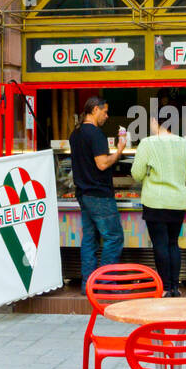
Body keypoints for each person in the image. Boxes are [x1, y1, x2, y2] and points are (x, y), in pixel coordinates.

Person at [131, 114, 186, 297]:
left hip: (155, 201)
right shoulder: (183, 143)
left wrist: (149, 173)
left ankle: (165, 288)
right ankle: (175, 287)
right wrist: (176, 175)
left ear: (155, 122)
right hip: (178, 200)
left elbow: (136, 173)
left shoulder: (147, 143)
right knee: (173, 243)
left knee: (160, 244)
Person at [69, 96, 126, 290]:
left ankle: (89, 284)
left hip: (83, 194)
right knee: (113, 237)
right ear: (94, 110)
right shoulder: (95, 134)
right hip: (99, 194)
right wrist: (119, 151)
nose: (107, 116)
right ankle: (106, 282)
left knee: (90, 239)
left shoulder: (75, 134)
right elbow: (102, 164)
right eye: (105, 111)